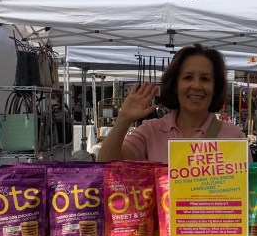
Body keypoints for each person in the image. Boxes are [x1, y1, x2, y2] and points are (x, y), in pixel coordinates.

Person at [99, 43, 245, 162]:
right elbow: (106, 166)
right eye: (188, 77)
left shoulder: (234, 136)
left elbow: (247, 189)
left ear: (215, 87)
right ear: (175, 85)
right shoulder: (150, 131)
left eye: (205, 79)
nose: (196, 86)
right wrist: (123, 119)